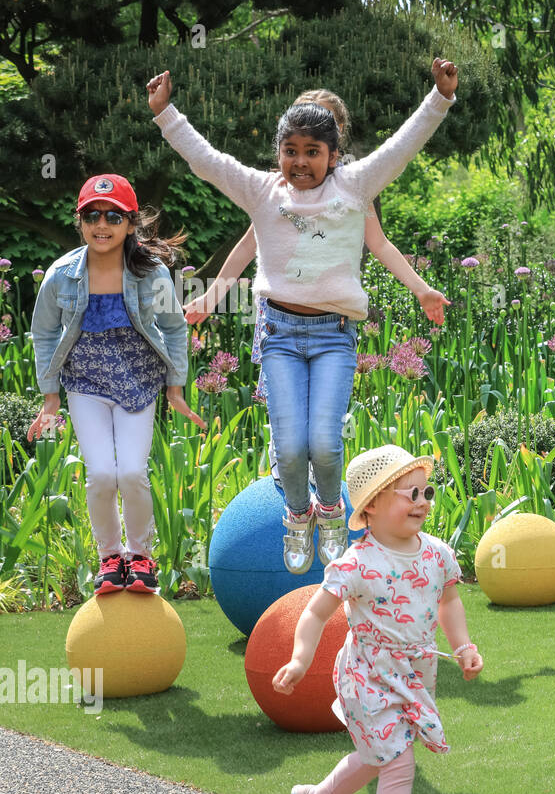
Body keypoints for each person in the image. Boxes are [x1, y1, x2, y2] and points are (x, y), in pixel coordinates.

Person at [147, 59, 457, 572]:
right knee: (289, 448)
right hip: (280, 333)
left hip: (334, 335)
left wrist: (440, 98)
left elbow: (403, 147)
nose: (300, 162)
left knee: (325, 446)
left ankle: (332, 511)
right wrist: (166, 114)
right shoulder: (264, 193)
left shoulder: (354, 187)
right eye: (290, 151)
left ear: (334, 156)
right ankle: (297, 515)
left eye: (313, 152)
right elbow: (208, 161)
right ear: (278, 153)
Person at [272, 445, 482, 794]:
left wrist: (463, 646)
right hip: (367, 673)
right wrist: (299, 659)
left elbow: (449, 601)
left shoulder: (437, 553)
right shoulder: (357, 563)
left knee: (378, 756)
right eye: (411, 494)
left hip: (415, 673)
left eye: (427, 493)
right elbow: (315, 614)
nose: (422, 503)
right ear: (371, 505)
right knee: (398, 763)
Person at [184, 88, 449, 408]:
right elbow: (246, 246)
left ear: (336, 137)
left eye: (325, 122)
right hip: (280, 320)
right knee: (283, 413)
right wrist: (211, 295)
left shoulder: (355, 191)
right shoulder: (277, 191)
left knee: (323, 417)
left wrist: (422, 289)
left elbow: (380, 244)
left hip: (331, 323)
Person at [28, 174, 204, 595]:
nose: (101, 224)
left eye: (112, 215)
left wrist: (174, 389)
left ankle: (139, 556)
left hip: (137, 384)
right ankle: (110, 558)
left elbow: (175, 328)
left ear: (130, 223)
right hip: (85, 384)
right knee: (102, 475)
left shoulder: (152, 272)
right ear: (80, 221)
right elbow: (45, 333)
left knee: (131, 473)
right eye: (92, 215)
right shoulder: (61, 275)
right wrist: (51, 398)